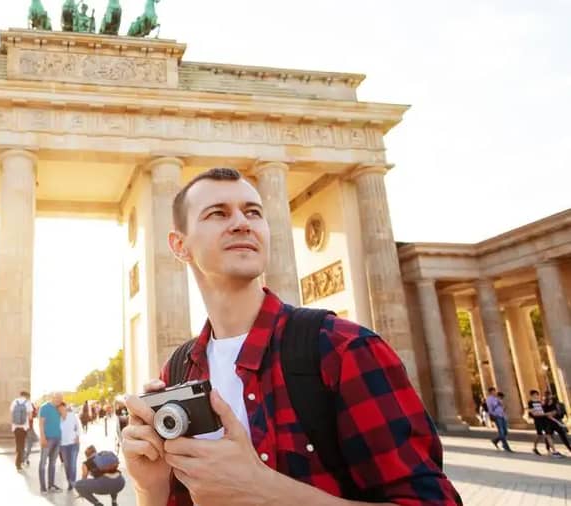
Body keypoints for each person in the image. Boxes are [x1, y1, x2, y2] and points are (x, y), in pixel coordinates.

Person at [121, 168, 461, 505]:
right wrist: (150, 489)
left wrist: (266, 491)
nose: (242, 222)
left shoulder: (342, 350)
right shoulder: (180, 370)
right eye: (217, 213)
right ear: (179, 245)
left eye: (253, 212)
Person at [39, 392, 64, 493]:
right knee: (43, 463)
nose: (59, 400)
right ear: (52, 397)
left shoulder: (59, 408)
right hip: (48, 438)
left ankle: (51, 485)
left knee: (53, 463)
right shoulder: (45, 407)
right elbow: (41, 423)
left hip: (58, 438)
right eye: (57, 398)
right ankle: (43, 487)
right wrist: (42, 438)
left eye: (61, 398)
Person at [528, 389, 561, 457]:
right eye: (535, 395)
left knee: (548, 435)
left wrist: (549, 414)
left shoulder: (540, 402)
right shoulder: (530, 403)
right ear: (532, 395)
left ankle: (554, 451)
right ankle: (534, 448)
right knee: (539, 435)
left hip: (544, 420)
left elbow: (544, 410)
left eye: (537, 394)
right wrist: (545, 414)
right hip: (538, 421)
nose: (537, 396)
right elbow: (534, 414)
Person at [59, 402, 82, 490]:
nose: (61, 410)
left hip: (73, 444)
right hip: (63, 445)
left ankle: (72, 482)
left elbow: (78, 426)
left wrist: (77, 436)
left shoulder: (72, 416)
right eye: (59, 409)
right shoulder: (58, 418)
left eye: (62, 408)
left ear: (65, 407)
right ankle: (69, 480)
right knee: (67, 465)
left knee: (72, 464)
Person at [11, 391, 34, 471]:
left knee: (18, 444)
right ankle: (19, 462)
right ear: (26, 396)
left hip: (15, 427)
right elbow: (30, 417)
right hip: (24, 427)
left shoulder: (14, 401)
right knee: (22, 444)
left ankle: (19, 461)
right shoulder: (28, 403)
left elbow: (12, 413)